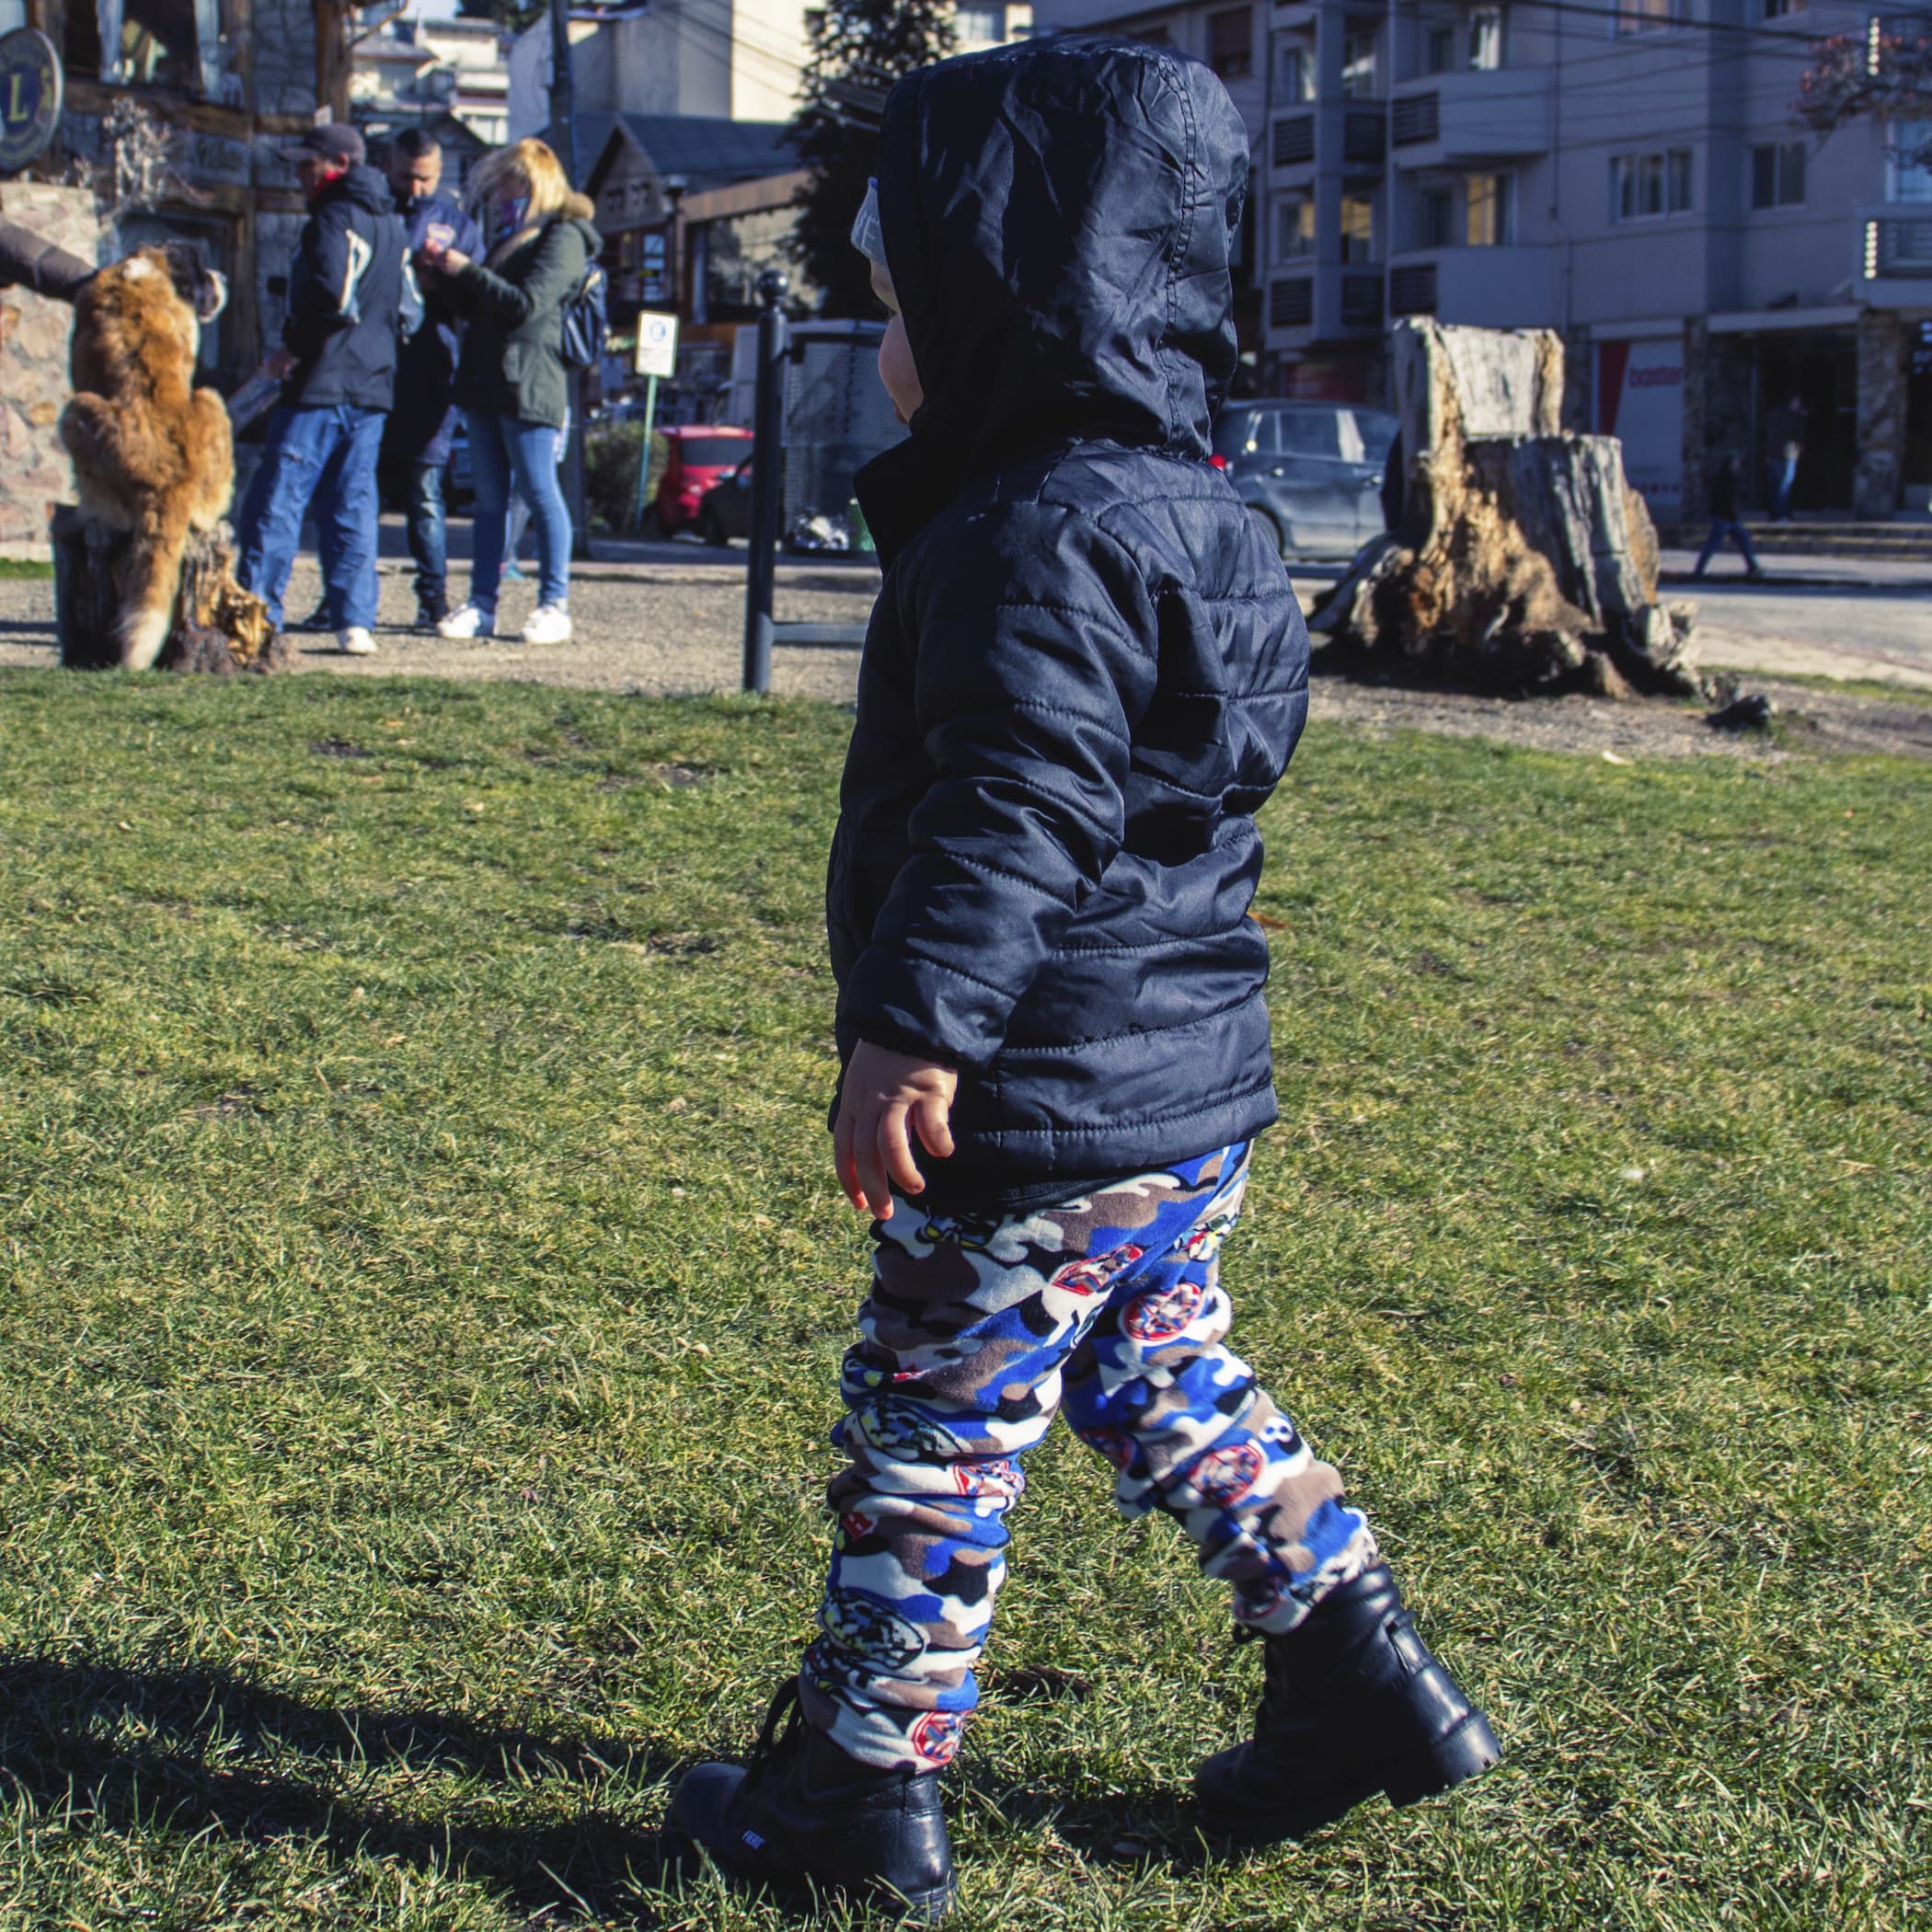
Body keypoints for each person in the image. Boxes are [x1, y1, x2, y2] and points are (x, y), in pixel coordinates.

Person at [667, 37, 1501, 1923]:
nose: (885, 339)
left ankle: (859, 1797)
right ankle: (1360, 1668)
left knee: (938, 1427)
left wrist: (912, 1033)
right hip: (1181, 1091)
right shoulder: (1203, 509)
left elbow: (1017, 812)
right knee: (1154, 1362)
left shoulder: (1028, 532)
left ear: (998, 306)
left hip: (1036, 1101)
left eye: (901, 303)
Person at [235, 124, 407, 658]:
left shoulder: (332, 217)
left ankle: (256, 616)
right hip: (373, 386)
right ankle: (355, 621)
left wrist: (294, 350)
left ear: (338, 163)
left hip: (319, 384)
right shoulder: (395, 225)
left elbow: (332, 296)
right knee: (352, 505)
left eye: (308, 164)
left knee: (277, 501)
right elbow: (410, 311)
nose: (299, 174)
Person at [421, 138, 597, 646]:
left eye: (511, 182)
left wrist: (467, 271)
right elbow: (483, 307)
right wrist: (447, 276)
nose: (504, 193)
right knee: (490, 501)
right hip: (487, 382)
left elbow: (528, 305)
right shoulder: (512, 235)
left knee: (541, 493)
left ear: (535, 182)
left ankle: (553, 603)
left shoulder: (562, 237)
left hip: (530, 384)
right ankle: (482, 604)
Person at [381, 131, 483, 632]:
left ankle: (433, 598)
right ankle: (344, 596)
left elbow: (476, 304)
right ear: (389, 166)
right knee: (357, 491)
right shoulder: (375, 211)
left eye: (425, 178)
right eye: (406, 177)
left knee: (424, 492)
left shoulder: (458, 226)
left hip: (429, 371)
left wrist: (443, 277)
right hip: (374, 369)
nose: (416, 189)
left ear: (440, 173)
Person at [1694, 453, 1764, 580]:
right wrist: (1733, 514)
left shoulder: (1724, 477)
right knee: (1714, 544)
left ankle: (1753, 566)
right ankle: (1699, 570)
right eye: (1736, 462)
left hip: (1727, 516)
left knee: (1742, 539)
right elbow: (1729, 499)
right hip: (1724, 517)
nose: (1738, 464)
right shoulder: (1729, 478)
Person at [1765, 393, 1805, 523]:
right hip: (1785, 453)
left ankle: (1779, 513)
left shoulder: (1775, 415)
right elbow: (1794, 436)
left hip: (1779, 454)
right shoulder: (1789, 417)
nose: (1798, 405)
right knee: (1783, 485)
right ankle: (1781, 514)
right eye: (1796, 401)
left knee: (1779, 485)